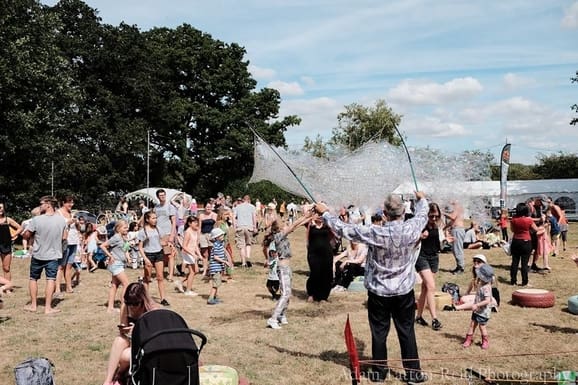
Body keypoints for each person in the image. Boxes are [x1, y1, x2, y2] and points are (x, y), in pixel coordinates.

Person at [315, 192, 428, 383]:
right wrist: (421, 198)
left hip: (379, 293)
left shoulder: (376, 232)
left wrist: (325, 213)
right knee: (407, 331)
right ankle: (413, 374)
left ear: (384, 213)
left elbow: (345, 230)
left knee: (379, 332)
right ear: (403, 212)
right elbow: (423, 214)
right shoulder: (412, 227)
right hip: (403, 292)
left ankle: (379, 373)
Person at [102, 281, 159, 385]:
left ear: (143, 300)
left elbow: (156, 338)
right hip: (133, 341)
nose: (132, 306)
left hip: (147, 346)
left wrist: (138, 330)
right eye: (129, 303)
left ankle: (120, 374)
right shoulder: (125, 307)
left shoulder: (152, 310)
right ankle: (108, 380)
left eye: (135, 303)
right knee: (119, 340)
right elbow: (123, 329)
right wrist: (125, 330)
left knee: (124, 356)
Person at [266, 212, 314, 330]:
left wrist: (309, 217)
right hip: (282, 268)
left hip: (287, 268)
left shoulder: (283, 234)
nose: (285, 223)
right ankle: (273, 318)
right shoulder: (278, 235)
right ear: (279, 227)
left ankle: (281, 315)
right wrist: (306, 215)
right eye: (283, 223)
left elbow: (296, 226)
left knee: (288, 293)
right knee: (285, 294)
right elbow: (294, 225)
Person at [22, 196, 67, 314]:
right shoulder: (62, 220)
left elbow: (26, 235)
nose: (40, 205)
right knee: (50, 279)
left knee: (33, 279)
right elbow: (64, 237)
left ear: (48, 204)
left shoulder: (36, 220)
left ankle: (33, 305)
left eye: (41, 203)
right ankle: (48, 308)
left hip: (38, 254)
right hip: (53, 255)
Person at [415, 202, 443, 331]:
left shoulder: (438, 225)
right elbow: (411, 240)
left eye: (436, 216)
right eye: (431, 216)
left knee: (426, 288)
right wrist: (420, 237)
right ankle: (435, 319)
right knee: (431, 286)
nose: (434, 218)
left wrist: (445, 239)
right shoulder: (421, 225)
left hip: (434, 258)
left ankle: (419, 316)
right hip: (422, 257)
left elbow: (438, 241)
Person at [137, 211, 170, 306]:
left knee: (160, 277)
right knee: (147, 278)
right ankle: (145, 298)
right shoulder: (143, 231)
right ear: (147, 219)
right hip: (148, 255)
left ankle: (163, 298)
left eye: (156, 218)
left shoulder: (158, 229)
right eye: (153, 218)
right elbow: (140, 247)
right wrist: (145, 259)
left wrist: (167, 244)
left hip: (159, 253)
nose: (155, 220)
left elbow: (163, 241)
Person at [101, 220, 131, 313]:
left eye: (127, 227)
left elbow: (125, 249)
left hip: (120, 263)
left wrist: (128, 258)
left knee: (114, 285)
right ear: (118, 229)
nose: (127, 229)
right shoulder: (116, 237)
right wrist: (110, 256)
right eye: (125, 227)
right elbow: (103, 246)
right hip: (116, 264)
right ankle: (124, 305)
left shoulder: (123, 237)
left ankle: (110, 307)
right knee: (126, 284)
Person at [462, 264, 494, 350]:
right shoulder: (481, 284)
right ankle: (468, 339)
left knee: (482, 326)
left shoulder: (486, 287)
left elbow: (487, 300)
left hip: (483, 311)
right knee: (472, 324)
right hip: (477, 310)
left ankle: (485, 341)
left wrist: (477, 304)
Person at [306, 213, 334, 302]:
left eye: (321, 215)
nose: (319, 217)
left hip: (326, 253)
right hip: (314, 253)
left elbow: (333, 235)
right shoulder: (311, 224)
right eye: (318, 215)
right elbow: (307, 237)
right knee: (315, 273)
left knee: (326, 274)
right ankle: (312, 294)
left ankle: (323, 296)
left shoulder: (327, 225)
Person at [510, 203, 539, 287]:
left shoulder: (513, 219)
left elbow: (512, 230)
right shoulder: (529, 220)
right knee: (524, 263)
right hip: (526, 241)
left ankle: (513, 281)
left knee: (514, 262)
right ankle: (524, 281)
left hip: (516, 241)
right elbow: (535, 229)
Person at [153, 189, 177, 282]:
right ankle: (160, 273)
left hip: (167, 233)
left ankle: (170, 275)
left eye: (164, 195)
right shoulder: (156, 208)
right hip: (158, 233)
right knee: (159, 255)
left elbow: (174, 221)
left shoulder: (170, 207)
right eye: (160, 195)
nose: (162, 197)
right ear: (158, 197)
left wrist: (172, 234)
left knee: (170, 254)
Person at [174, 216, 201, 297]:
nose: (197, 223)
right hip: (187, 253)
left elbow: (195, 245)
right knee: (192, 272)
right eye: (195, 222)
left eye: (197, 222)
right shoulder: (188, 232)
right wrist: (192, 254)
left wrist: (199, 254)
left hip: (192, 253)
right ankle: (188, 291)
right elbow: (184, 246)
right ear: (189, 223)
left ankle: (180, 282)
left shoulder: (195, 231)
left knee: (195, 271)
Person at [206, 228, 232, 305]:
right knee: (215, 284)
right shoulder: (216, 245)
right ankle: (210, 299)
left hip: (219, 267)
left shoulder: (220, 244)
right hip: (215, 268)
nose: (222, 236)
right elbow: (215, 257)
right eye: (221, 235)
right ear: (216, 237)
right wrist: (225, 261)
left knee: (217, 283)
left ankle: (214, 297)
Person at [0, 202, 22, 284]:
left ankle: (7, 287)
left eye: (2, 207)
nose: (0, 209)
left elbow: (20, 228)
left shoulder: (8, 219)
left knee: (6, 268)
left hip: (6, 245)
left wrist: (14, 235)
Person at [233, 195, 257, 268]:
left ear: (243, 200)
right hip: (249, 227)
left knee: (241, 246)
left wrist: (235, 227)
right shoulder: (252, 207)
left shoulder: (237, 207)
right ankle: (248, 258)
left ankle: (243, 263)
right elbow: (254, 217)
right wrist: (255, 227)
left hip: (240, 227)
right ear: (249, 200)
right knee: (248, 244)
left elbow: (233, 217)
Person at [443, 201, 466, 274]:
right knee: (455, 249)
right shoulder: (457, 208)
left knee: (457, 249)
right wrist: (445, 228)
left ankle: (461, 268)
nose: (449, 201)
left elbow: (452, 217)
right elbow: (453, 221)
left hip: (457, 230)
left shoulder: (457, 206)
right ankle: (458, 266)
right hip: (456, 230)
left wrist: (442, 213)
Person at [198, 202, 217, 277]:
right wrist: (198, 237)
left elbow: (215, 225)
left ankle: (212, 269)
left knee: (212, 252)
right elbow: (199, 227)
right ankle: (205, 270)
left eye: (210, 207)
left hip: (211, 234)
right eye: (207, 207)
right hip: (203, 234)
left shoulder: (214, 215)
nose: (208, 208)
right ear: (204, 208)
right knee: (204, 254)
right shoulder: (201, 215)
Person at [262, 231, 280, 300]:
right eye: (271, 252)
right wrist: (266, 263)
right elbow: (267, 251)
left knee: (276, 287)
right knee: (268, 286)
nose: (273, 254)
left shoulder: (277, 258)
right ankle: (275, 295)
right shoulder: (270, 257)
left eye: (274, 252)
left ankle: (275, 296)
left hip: (277, 276)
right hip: (271, 275)